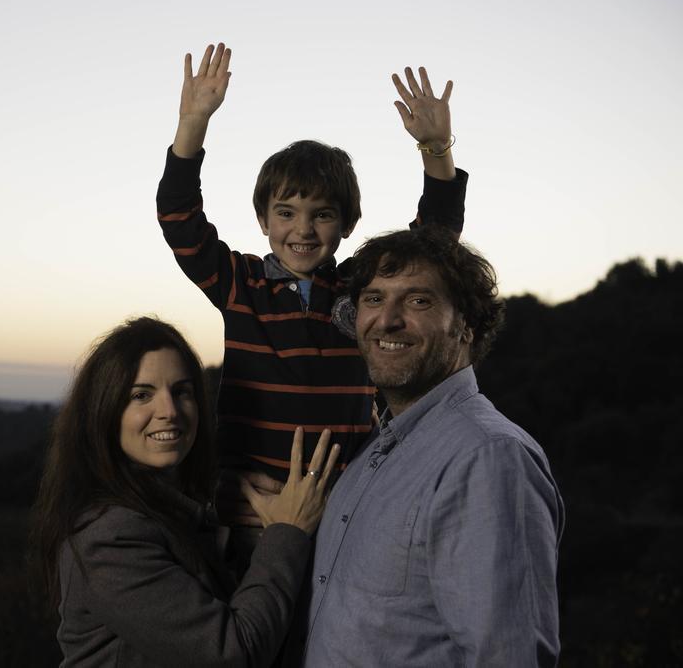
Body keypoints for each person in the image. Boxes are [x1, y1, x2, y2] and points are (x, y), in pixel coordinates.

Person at [156, 44, 469, 545]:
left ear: (346, 224)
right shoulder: (240, 283)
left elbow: (431, 246)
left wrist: (437, 151)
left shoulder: (360, 291)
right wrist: (193, 123)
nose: (302, 229)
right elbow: (179, 216)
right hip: (249, 517)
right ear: (262, 219)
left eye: (322, 214)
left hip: (346, 516)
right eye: (285, 212)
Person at [294, 227, 565, 666]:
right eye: (374, 298)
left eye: (418, 300)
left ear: (467, 326)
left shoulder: (487, 457)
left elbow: (505, 656)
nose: (387, 320)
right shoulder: (370, 451)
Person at [28, 317, 341, 667]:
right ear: (105, 411)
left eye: (181, 391)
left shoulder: (175, 511)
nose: (169, 411)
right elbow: (234, 652)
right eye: (141, 395)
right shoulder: (109, 538)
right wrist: (289, 532)